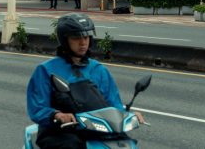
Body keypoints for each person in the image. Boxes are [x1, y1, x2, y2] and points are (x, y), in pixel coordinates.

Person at [26, 14, 143, 148]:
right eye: (76, 38)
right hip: (60, 130)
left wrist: (127, 115)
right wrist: (57, 115)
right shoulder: (46, 70)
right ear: (65, 41)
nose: (83, 42)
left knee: (126, 144)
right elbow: (37, 108)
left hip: (97, 128)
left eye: (86, 37)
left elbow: (113, 103)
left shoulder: (98, 69)